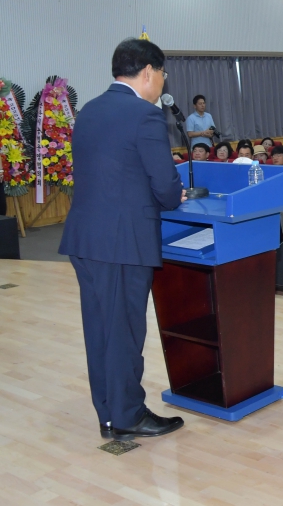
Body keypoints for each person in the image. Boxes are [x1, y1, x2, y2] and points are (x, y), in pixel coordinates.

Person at [59, 38, 185, 441]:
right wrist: (174, 193)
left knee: (101, 329)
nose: (163, 82)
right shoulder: (144, 115)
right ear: (148, 71)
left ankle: (110, 412)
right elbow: (165, 187)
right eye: (162, 73)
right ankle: (129, 415)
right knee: (126, 330)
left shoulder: (90, 110)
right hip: (123, 241)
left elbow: (112, 173)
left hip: (87, 239)